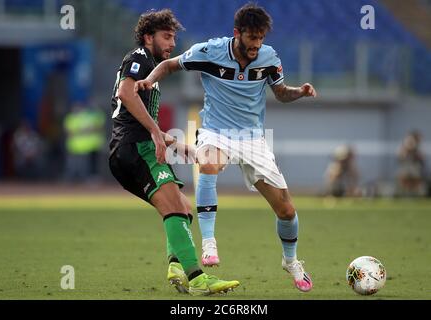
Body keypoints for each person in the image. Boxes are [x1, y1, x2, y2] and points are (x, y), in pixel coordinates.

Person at [135, 3, 315, 292]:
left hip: (254, 139)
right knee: (207, 163)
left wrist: (300, 92)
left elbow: (281, 94)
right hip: (216, 132)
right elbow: (169, 65)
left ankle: (291, 261)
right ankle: (208, 243)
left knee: (286, 210)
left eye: (261, 38)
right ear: (237, 33)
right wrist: (147, 80)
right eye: (251, 38)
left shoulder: (269, 58)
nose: (256, 44)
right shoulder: (209, 52)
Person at [108, 9, 239, 296]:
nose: (171, 44)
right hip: (135, 148)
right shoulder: (139, 58)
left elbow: (140, 117)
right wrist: (155, 134)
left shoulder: (149, 68)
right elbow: (125, 94)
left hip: (130, 149)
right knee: (176, 207)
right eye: (166, 37)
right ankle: (197, 279)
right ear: (148, 37)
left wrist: (184, 149)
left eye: (174, 38)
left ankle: (176, 267)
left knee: (183, 208)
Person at [396, 130, 426, 196]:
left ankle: (416, 193)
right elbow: (401, 155)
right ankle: (403, 193)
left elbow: (422, 157)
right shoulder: (408, 142)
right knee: (403, 178)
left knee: (416, 179)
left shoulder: (418, 146)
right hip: (406, 164)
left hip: (414, 164)